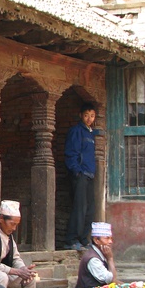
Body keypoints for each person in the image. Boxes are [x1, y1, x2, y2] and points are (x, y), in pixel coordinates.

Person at [64, 101, 98, 250]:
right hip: (80, 174)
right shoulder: (76, 131)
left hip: (90, 175)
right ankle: (71, 240)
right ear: (80, 116)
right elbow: (71, 153)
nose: (89, 119)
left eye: (92, 116)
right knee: (80, 208)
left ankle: (84, 238)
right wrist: (76, 171)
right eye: (86, 115)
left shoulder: (91, 133)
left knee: (90, 209)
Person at [73, 221, 120, 288]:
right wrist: (110, 259)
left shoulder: (101, 255)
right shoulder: (93, 259)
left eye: (111, 238)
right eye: (107, 238)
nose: (110, 242)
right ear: (96, 240)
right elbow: (111, 280)